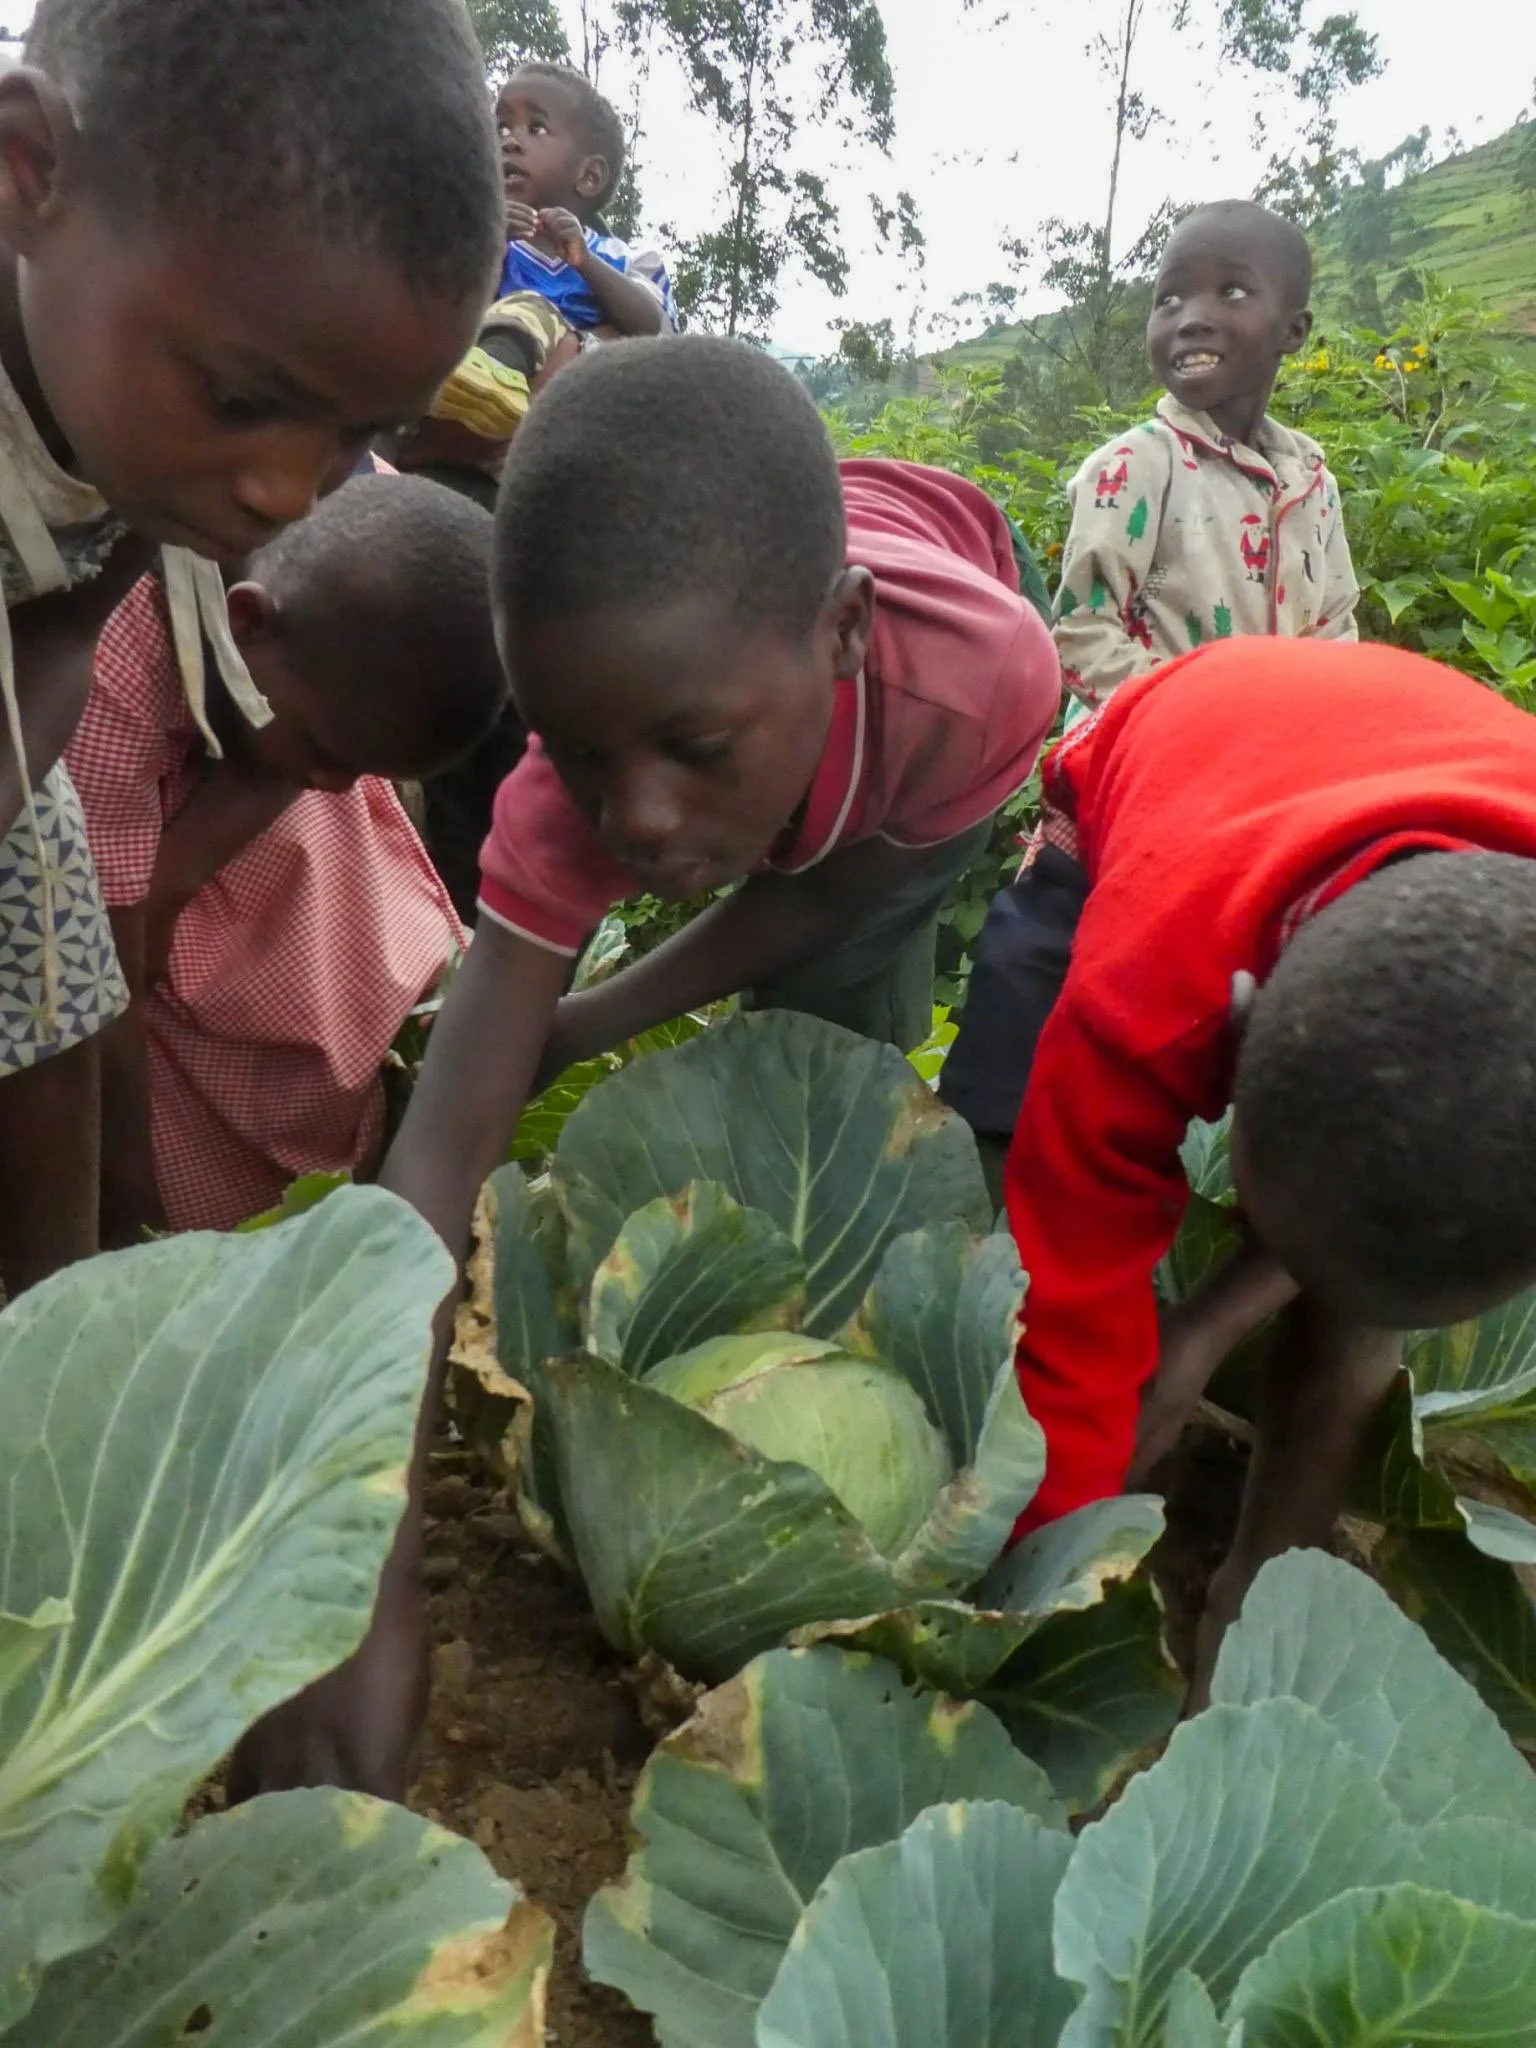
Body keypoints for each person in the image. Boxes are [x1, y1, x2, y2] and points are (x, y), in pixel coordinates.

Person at [235, 333, 1062, 1798]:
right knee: (498, 1063)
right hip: (778, 627)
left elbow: (826, 896)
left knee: (849, 1040)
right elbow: (434, 1168)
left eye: (691, 751)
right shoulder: (588, 779)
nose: (643, 820)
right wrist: (357, 1577)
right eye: (575, 750)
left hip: (916, 711)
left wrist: (591, 1015)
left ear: (842, 629)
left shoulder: (982, 683)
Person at [0, 0, 503, 1293]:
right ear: (26, 176)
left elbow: (55, 640)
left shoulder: (164, 436)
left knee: (50, 991)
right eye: (243, 404)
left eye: (353, 438)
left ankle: (66, 1333)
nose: (290, 491)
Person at [993, 636, 1536, 1697]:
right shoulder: (1143, 1002)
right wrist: (1040, 1589)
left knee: (1348, 1309)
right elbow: (1070, 1320)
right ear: (1231, 1040)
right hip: (1172, 745)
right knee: (1006, 1143)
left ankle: (1253, 1598)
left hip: (1417, 769)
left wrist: (1204, 1325)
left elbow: (1376, 1211)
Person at [939, 199, 1359, 1179]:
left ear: (1293, 331)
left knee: (1253, 1005)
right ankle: (980, 1168)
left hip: (1261, 810)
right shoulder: (1135, 467)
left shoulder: (1314, 483)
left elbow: (1337, 629)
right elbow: (1082, 630)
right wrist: (1199, 716)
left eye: (1231, 292)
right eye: (1170, 297)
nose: (1192, 315)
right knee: (1039, 961)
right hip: (1129, 792)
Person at [67, 474, 504, 1239]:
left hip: (220, 833)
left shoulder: (365, 556)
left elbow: (299, 722)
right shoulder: (115, 660)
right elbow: (99, 983)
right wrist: (139, 1229)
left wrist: (187, 863)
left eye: (364, 769)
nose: (333, 785)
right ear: (244, 625)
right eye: (327, 755)